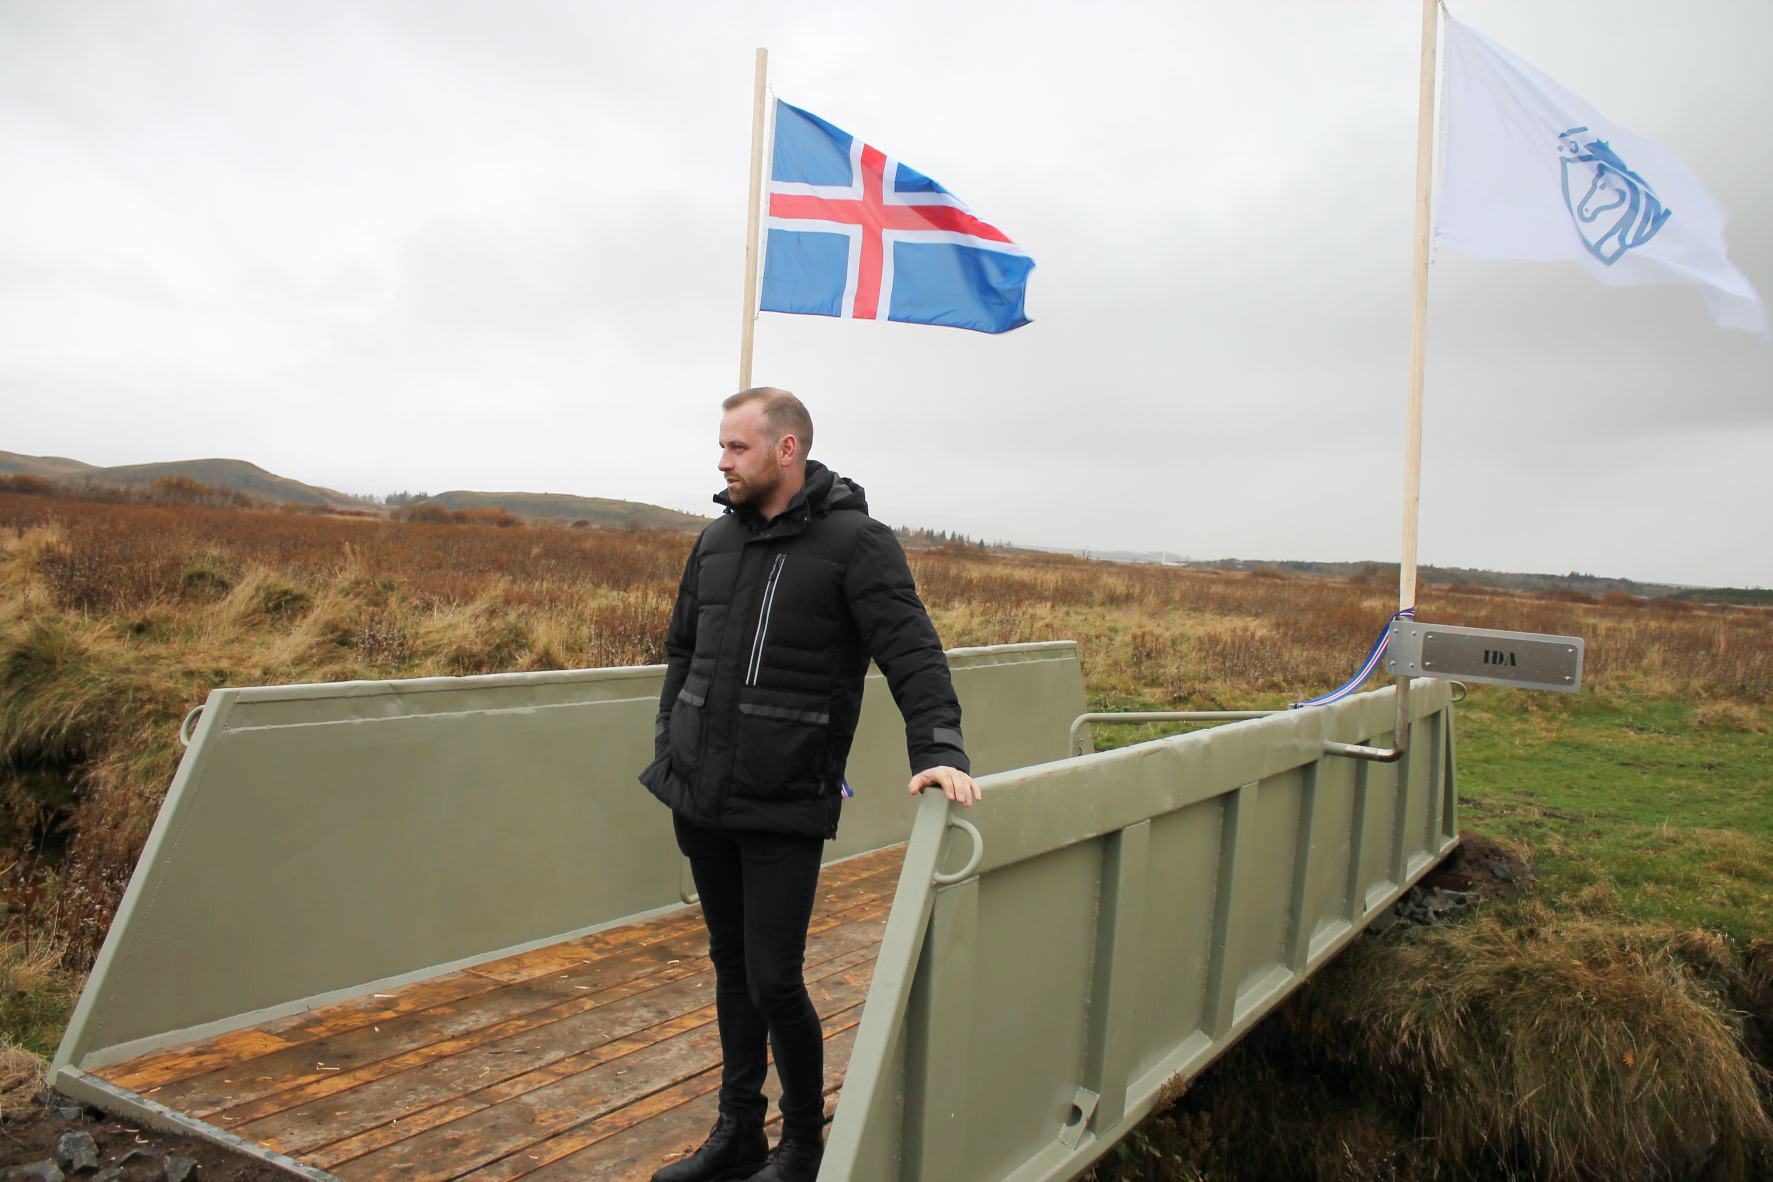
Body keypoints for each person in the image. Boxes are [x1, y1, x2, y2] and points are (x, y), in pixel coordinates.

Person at [640, 387, 980, 1182]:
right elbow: (682, 651)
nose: (721, 462)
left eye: (736, 448)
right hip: (700, 790)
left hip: (784, 794)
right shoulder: (715, 541)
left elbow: (912, 653)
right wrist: (670, 738)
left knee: (773, 979)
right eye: (721, 446)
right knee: (731, 968)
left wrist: (939, 748)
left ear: (785, 449)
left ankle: (801, 1144)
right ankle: (737, 1131)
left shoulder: (856, 543)